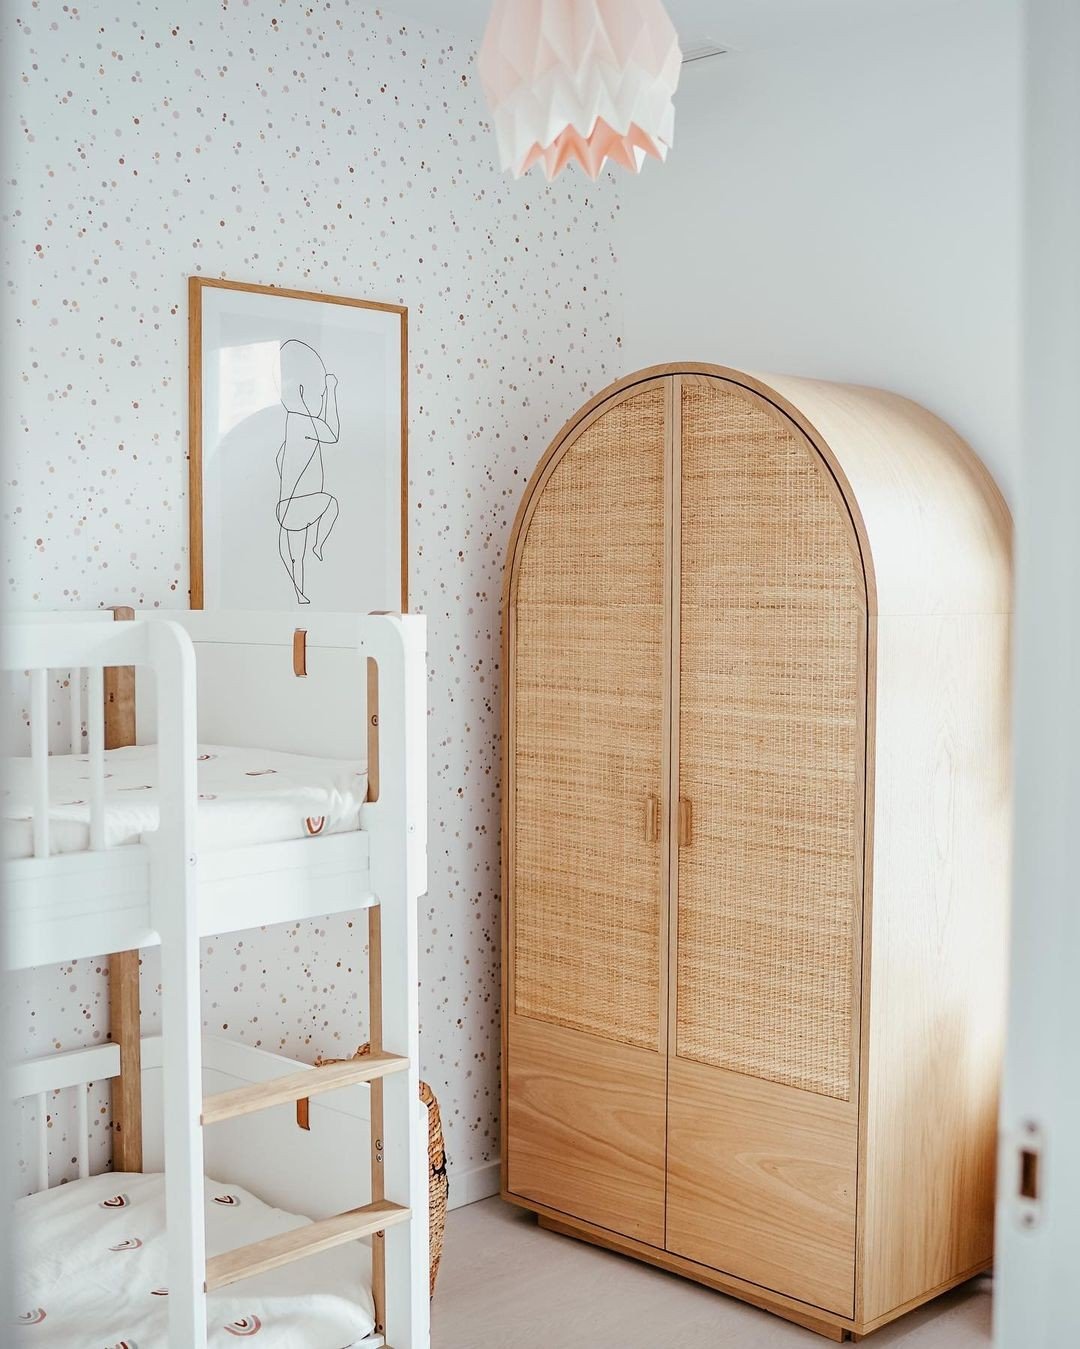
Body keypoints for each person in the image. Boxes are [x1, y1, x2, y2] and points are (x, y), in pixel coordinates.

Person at [274, 339, 340, 604]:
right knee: (331, 504)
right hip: (298, 506)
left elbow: (281, 460)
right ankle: (319, 544)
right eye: (320, 395)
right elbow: (332, 432)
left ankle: (300, 596)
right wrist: (333, 391)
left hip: (286, 508)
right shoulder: (302, 423)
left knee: (296, 557)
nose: (323, 399)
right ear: (302, 390)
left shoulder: (293, 425)